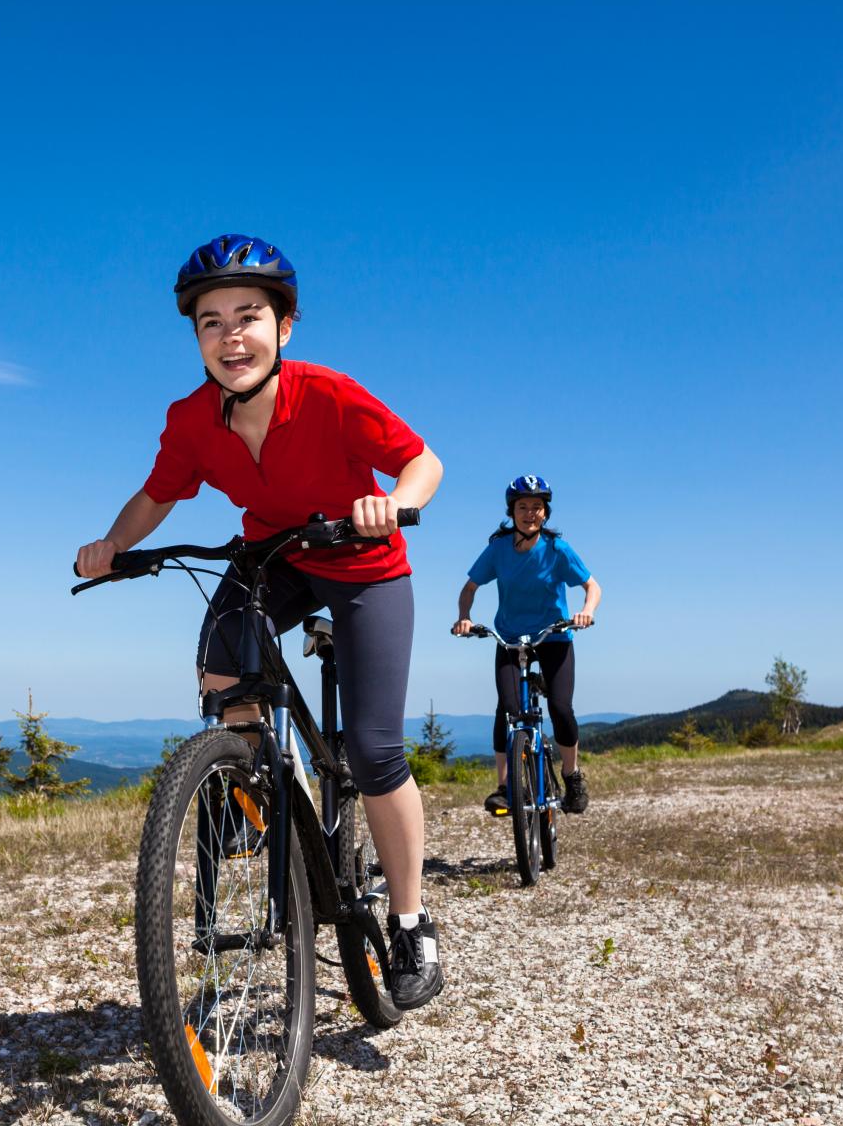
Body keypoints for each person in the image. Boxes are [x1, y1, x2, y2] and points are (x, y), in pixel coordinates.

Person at [75, 232, 445, 1010]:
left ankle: (412, 923)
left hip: (361, 564)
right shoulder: (190, 419)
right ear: (197, 337)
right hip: (272, 557)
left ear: (284, 326)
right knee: (220, 660)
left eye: (248, 315)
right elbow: (158, 495)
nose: (230, 334)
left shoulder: (330, 394)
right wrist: (113, 543)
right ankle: (258, 788)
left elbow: (423, 460)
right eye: (211, 321)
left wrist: (392, 503)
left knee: (376, 751)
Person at [451, 475, 602, 815]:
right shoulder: (499, 548)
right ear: (512, 511)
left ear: (545, 514)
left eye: (537, 507)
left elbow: (593, 586)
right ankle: (505, 787)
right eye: (522, 507)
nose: (529, 513)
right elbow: (470, 588)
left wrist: (586, 612)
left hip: (554, 636)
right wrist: (464, 616)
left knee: (561, 708)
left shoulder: (557, 549)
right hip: (510, 639)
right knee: (506, 708)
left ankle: (571, 775)